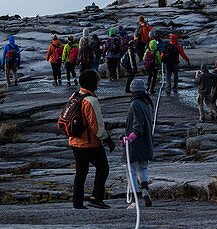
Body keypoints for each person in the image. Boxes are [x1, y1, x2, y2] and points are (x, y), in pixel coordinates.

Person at [66, 68, 112, 209]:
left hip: (74, 142)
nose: (98, 83)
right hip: (90, 144)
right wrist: (108, 139)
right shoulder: (91, 101)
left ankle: (77, 202)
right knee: (103, 168)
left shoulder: (74, 97)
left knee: (81, 172)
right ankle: (96, 198)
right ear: (93, 82)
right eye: (97, 81)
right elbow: (97, 127)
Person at [123, 79, 153, 207]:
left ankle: (134, 199)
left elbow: (137, 126)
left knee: (132, 171)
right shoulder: (147, 103)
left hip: (136, 143)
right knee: (143, 168)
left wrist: (130, 138)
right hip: (147, 142)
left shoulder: (135, 104)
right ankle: (145, 191)